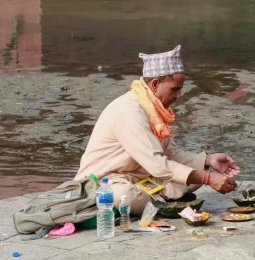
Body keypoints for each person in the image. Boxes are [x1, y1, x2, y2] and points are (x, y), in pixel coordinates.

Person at [75, 45, 240, 214]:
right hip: (106, 181)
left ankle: (156, 199)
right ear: (154, 84)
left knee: (195, 175)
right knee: (124, 196)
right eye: (174, 89)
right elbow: (157, 164)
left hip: (139, 177)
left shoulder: (154, 109)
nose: (179, 96)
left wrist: (208, 160)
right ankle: (159, 200)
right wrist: (208, 178)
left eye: (180, 89)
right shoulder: (130, 111)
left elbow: (170, 154)